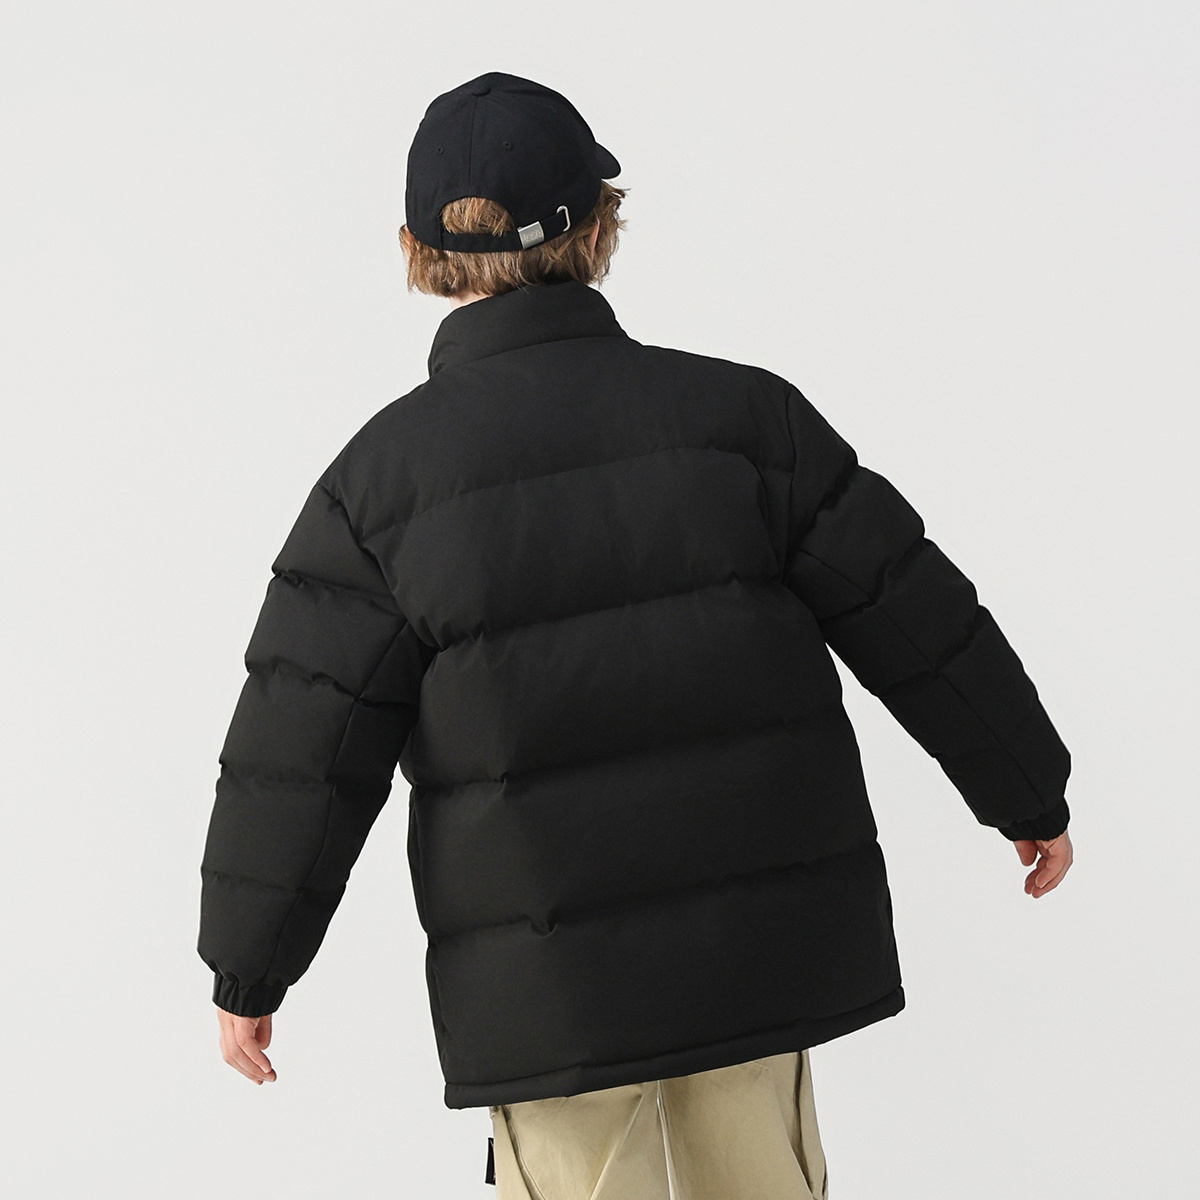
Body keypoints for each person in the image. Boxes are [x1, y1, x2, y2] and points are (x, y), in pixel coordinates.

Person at [198, 71, 1075, 1199]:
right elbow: (918, 617)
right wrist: (1026, 790)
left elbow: (300, 748)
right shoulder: (745, 422)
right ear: (599, 221)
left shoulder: (378, 489)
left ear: (418, 250)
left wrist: (251, 963)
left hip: (548, 996)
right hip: (751, 960)